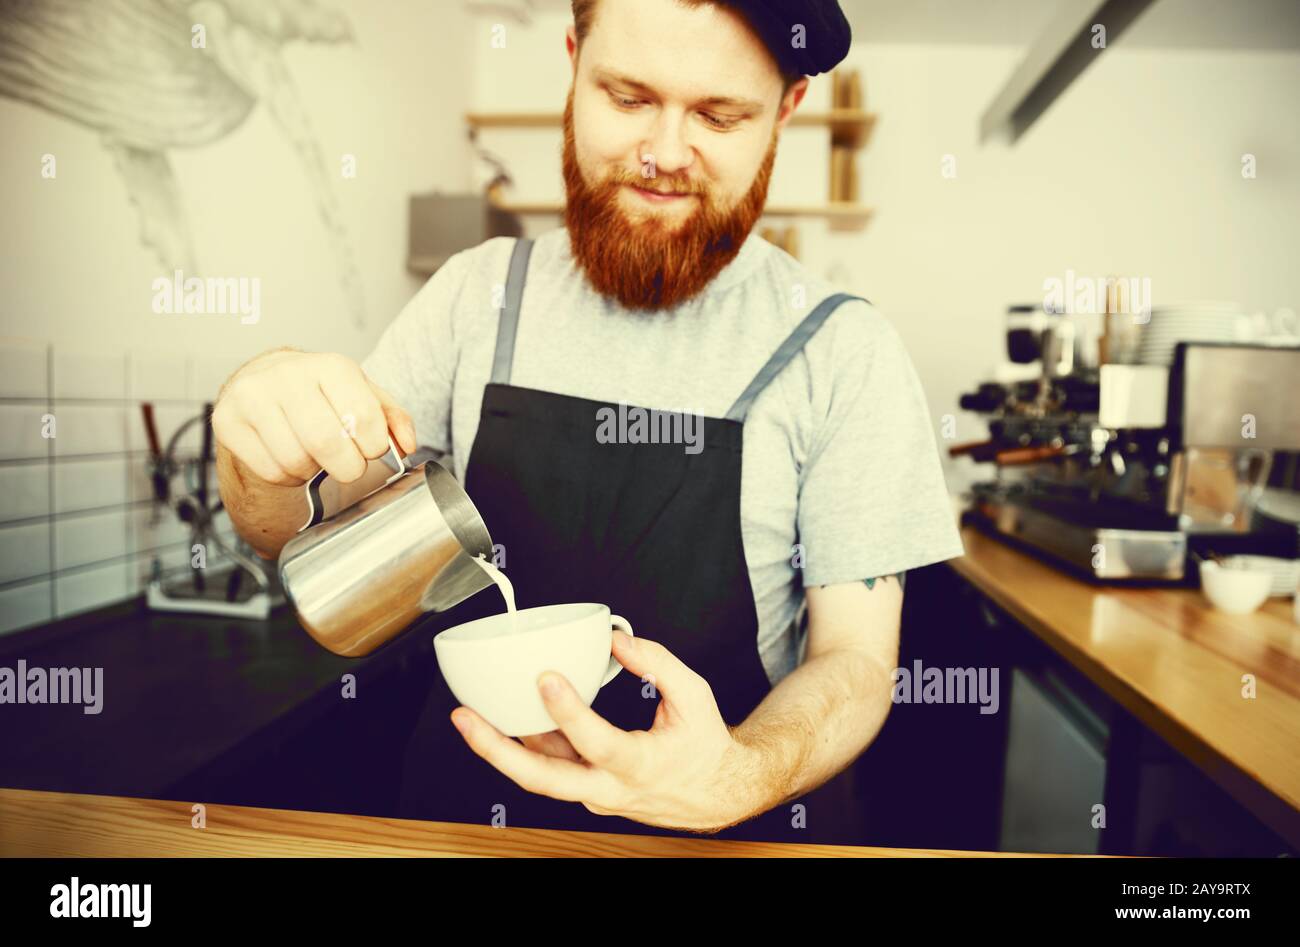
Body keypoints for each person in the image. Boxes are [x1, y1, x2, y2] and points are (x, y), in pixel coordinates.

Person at [213, 0, 963, 844]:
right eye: (629, 96)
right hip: (466, 826)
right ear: (573, 64)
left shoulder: (842, 349)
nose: (667, 153)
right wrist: (253, 452)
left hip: (719, 837)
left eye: (719, 114)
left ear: (784, 111)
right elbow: (298, 543)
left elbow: (856, 662)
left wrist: (739, 772)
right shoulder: (477, 296)